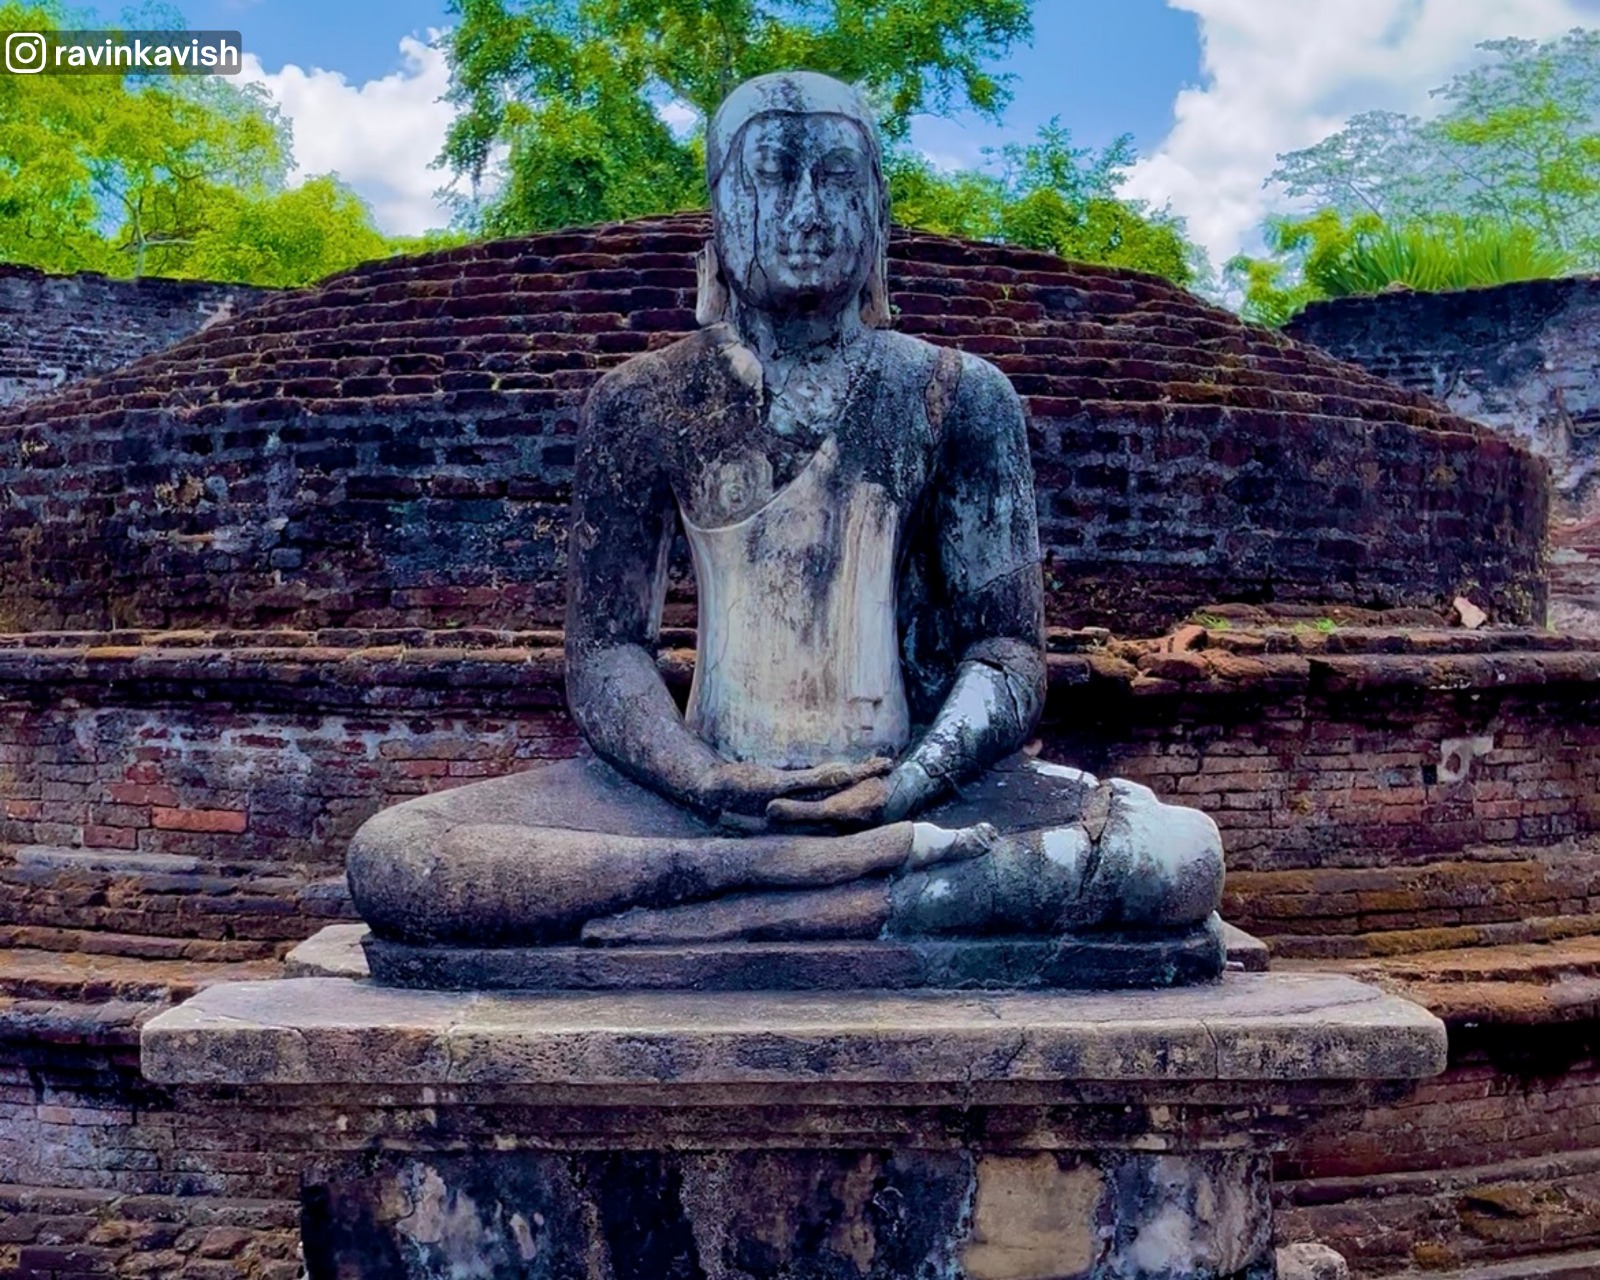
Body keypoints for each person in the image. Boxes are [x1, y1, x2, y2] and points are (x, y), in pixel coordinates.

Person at [347, 71, 1223, 959]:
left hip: (907, 788)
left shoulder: (956, 394)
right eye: (770, 176)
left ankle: (758, 898)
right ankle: (817, 886)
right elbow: (606, 653)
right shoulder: (644, 402)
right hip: (700, 797)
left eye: (839, 178)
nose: (807, 210)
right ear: (720, 212)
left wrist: (908, 783)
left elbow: (1007, 653)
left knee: (1178, 857)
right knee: (398, 859)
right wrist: (709, 780)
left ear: (877, 208)